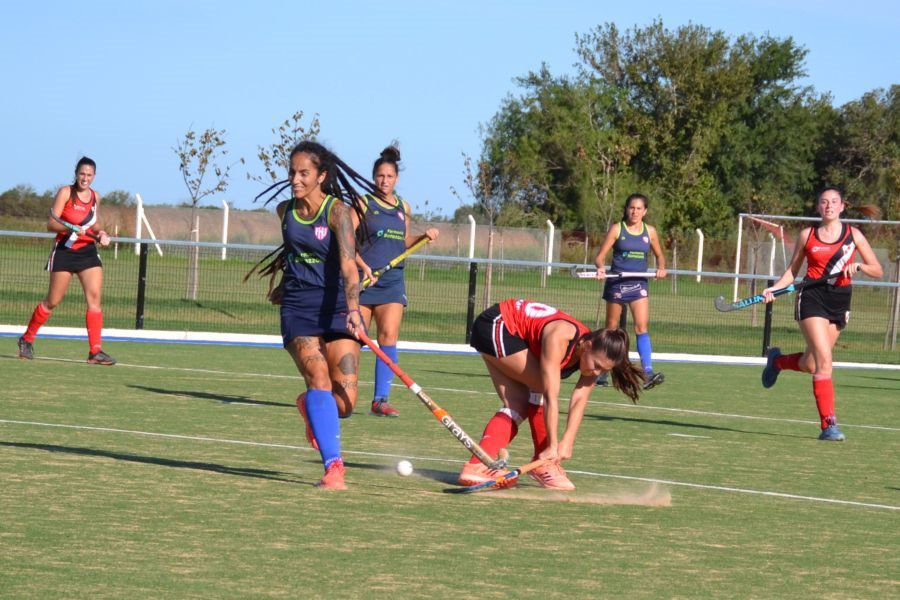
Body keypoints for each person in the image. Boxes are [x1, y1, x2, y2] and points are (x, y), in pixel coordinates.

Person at [252, 141, 374, 490]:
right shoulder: (284, 212)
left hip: (338, 306)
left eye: (304, 173)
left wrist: (354, 310)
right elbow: (294, 254)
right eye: (292, 172)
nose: (295, 179)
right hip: (299, 309)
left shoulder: (338, 213)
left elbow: (350, 268)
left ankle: (311, 407)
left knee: (346, 403)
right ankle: (334, 467)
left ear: (321, 176)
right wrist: (286, 285)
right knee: (318, 375)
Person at [460, 298, 644, 490]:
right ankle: (544, 462)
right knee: (541, 385)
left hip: (510, 333)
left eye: (603, 370)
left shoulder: (591, 353)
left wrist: (567, 442)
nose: (596, 373)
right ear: (587, 345)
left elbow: (580, 399)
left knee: (518, 405)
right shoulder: (560, 337)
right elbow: (549, 396)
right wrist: (553, 445)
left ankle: (476, 466)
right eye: (596, 366)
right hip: (496, 325)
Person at [760, 188, 882, 441]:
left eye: (833, 202)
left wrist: (858, 265)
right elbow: (791, 273)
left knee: (812, 364)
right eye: (823, 202)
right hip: (812, 298)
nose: (828, 206)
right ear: (818, 207)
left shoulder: (853, 235)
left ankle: (778, 361)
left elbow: (877, 270)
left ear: (842, 207)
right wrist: (774, 289)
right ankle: (828, 425)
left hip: (839, 300)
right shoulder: (808, 235)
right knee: (825, 361)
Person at [353, 145, 439, 417]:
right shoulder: (364, 203)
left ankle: (380, 400)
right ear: (373, 177)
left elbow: (403, 241)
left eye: (389, 176)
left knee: (388, 337)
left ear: (396, 178)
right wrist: (363, 266)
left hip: (392, 280)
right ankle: (344, 393)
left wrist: (424, 236)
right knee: (355, 339)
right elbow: (346, 241)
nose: (384, 181)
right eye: (380, 176)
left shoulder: (404, 206)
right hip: (365, 280)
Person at [17, 157, 115, 365]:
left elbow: (94, 225)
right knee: (52, 301)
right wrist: (70, 227)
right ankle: (26, 339)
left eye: (89, 175)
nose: (85, 178)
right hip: (65, 251)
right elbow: (51, 224)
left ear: (94, 176)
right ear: (76, 173)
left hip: (87, 252)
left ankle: (95, 352)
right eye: (82, 174)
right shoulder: (65, 193)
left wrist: (102, 233)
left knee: (94, 298)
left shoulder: (96, 197)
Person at [593, 193, 667, 390]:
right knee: (611, 329)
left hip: (638, 284)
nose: (635, 211)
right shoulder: (617, 229)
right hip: (617, 283)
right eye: (631, 208)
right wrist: (600, 268)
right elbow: (600, 257)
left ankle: (648, 371)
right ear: (626, 209)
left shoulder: (650, 231)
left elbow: (660, 256)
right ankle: (602, 370)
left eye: (639, 208)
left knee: (641, 327)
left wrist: (661, 268)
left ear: (645, 211)